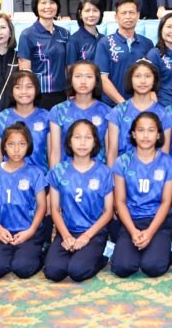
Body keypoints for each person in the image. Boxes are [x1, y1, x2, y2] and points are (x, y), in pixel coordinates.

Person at [44, 119, 115, 282]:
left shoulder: (104, 172)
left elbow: (108, 211)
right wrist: (66, 236)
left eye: (88, 137)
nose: (82, 143)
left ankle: (104, 255)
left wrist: (86, 236)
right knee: (53, 272)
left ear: (95, 142)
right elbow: (55, 209)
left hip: (94, 232)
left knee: (77, 271)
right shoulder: (58, 170)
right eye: (77, 137)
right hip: (67, 230)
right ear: (69, 141)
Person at [111, 112, 172, 278]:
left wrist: (149, 232)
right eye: (141, 130)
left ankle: (166, 247)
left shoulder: (168, 163)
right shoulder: (122, 162)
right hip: (131, 220)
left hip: (158, 221)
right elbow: (120, 201)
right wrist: (133, 231)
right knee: (122, 268)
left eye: (151, 130)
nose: (146, 135)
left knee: (153, 267)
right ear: (133, 134)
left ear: (158, 135)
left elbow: (166, 202)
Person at [0, 122, 50, 279]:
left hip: (28, 231)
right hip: (3, 231)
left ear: (28, 146)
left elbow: (42, 206)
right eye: (11, 144)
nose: (16, 149)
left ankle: (41, 251)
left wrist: (31, 231)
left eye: (22, 144)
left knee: (22, 269)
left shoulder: (36, 173)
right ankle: (10, 254)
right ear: (4, 146)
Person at [105, 61, 172, 166]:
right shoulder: (118, 112)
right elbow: (112, 153)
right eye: (137, 76)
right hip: (123, 172)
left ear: (154, 81)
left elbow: (165, 155)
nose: (143, 81)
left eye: (147, 76)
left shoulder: (163, 114)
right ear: (130, 80)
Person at [48, 60, 111, 167]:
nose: (83, 81)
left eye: (89, 77)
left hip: (98, 174)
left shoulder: (107, 112)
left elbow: (110, 152)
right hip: (66, 173)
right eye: (78, 76)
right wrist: (55, 177)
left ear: (96, 81)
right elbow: (55, 153)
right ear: (70, 80)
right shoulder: (58, 110)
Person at [94, 0, 153, 106]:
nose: (128, 16)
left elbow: (151, 76)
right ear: (116, 17)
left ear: (138, 15)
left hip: (140, 106)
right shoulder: (105, 43)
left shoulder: (147, 44)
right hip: (112, 106)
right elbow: (102, 78)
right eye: (123, 13)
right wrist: (123, 104)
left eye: (131, 12)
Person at [0, 70, 52, 171]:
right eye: (18, 87)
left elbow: (51, 154)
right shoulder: (1, 118)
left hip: (40, 178)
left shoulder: (47, 117)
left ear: (36, 89)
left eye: (29, 87)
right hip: (9, 178)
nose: (24, 91)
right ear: (11, 91)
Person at [17, 0, 70, 109]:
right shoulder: (27, 35)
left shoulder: (64, 34)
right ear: (36, 6)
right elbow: (24, 71)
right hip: (38, 96)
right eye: (43, 3)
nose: (48, 6)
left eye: (52, 2)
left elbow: (68, 67)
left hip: (61, 94)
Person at [145, 12, 172, 107]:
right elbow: (149, 84)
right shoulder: (154, 54)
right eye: (169, 27)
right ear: (161, 29)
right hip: (163, 107)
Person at [65, 0, 103, 64]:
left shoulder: (104, 39)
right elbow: (70, 68)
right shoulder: (73, 40)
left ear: (100, 13)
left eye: (95, 10)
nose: (91, 14)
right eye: (87, 11)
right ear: (80, 14)